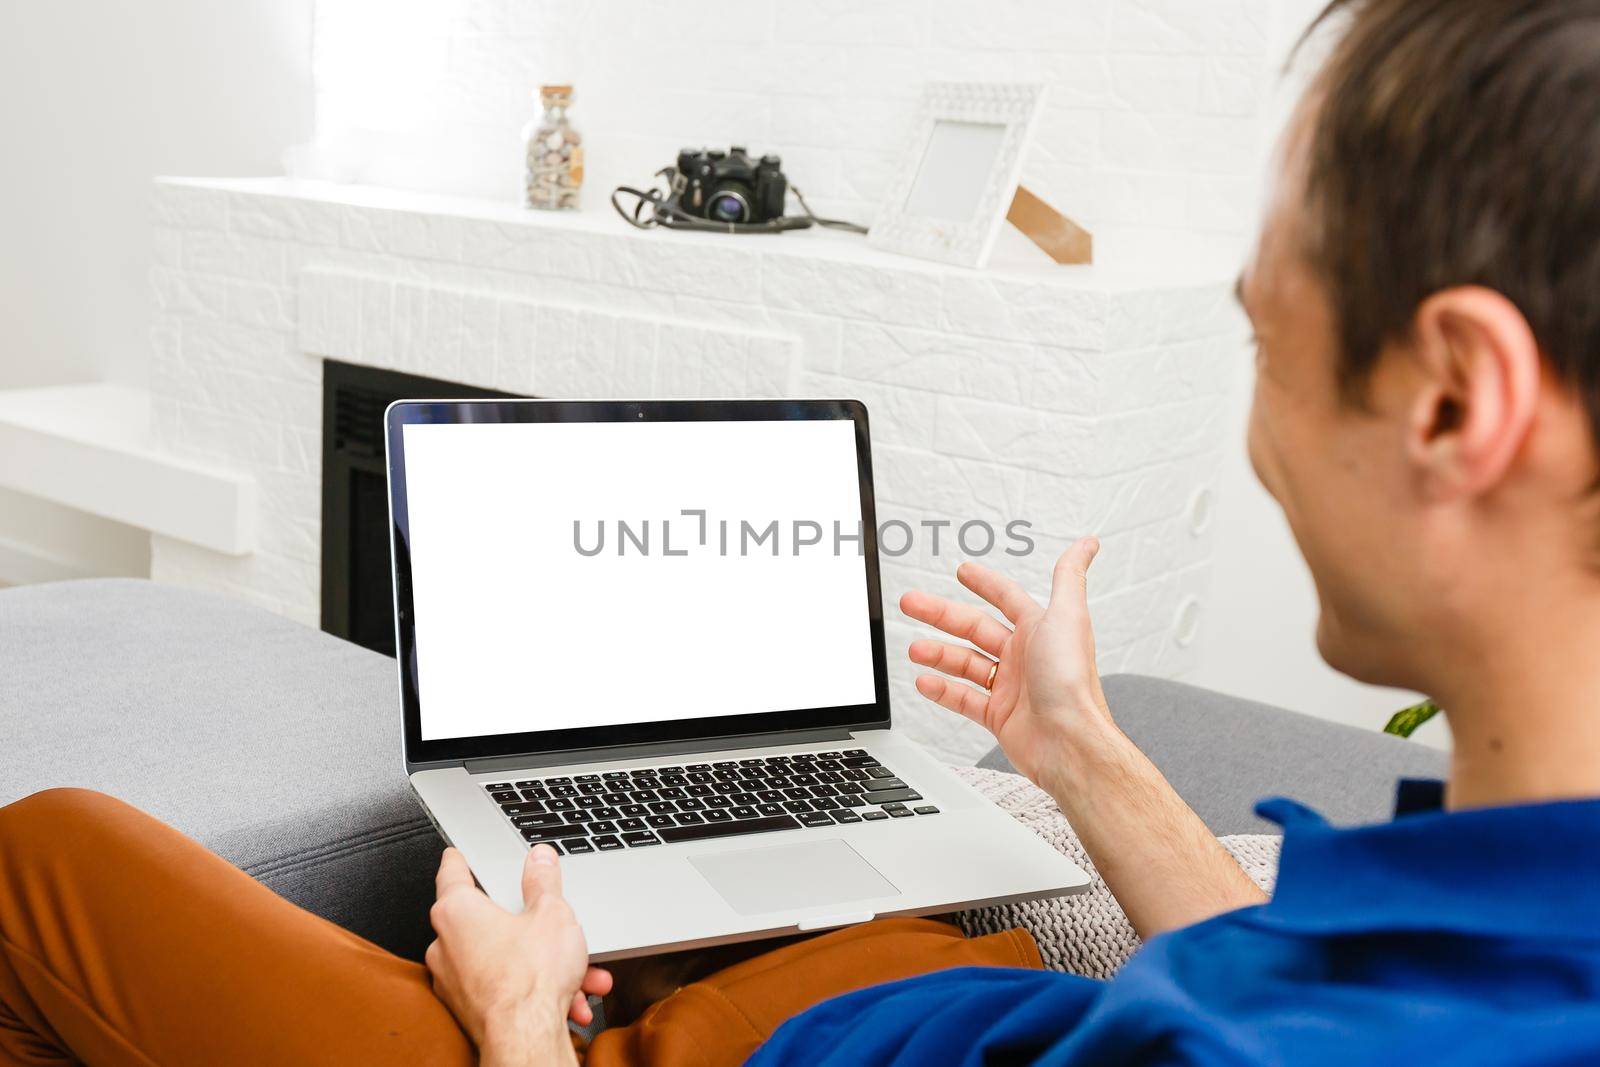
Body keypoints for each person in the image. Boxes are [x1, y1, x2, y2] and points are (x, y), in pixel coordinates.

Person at [6, 0, 1600, 1062]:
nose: (1258, 430)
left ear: (1457, 402)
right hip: (883, 964)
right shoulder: (1505, 920)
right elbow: (1283, 967)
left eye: (1267, 339)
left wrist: (514, 1027)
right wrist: (1076, 751)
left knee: (45, 852)